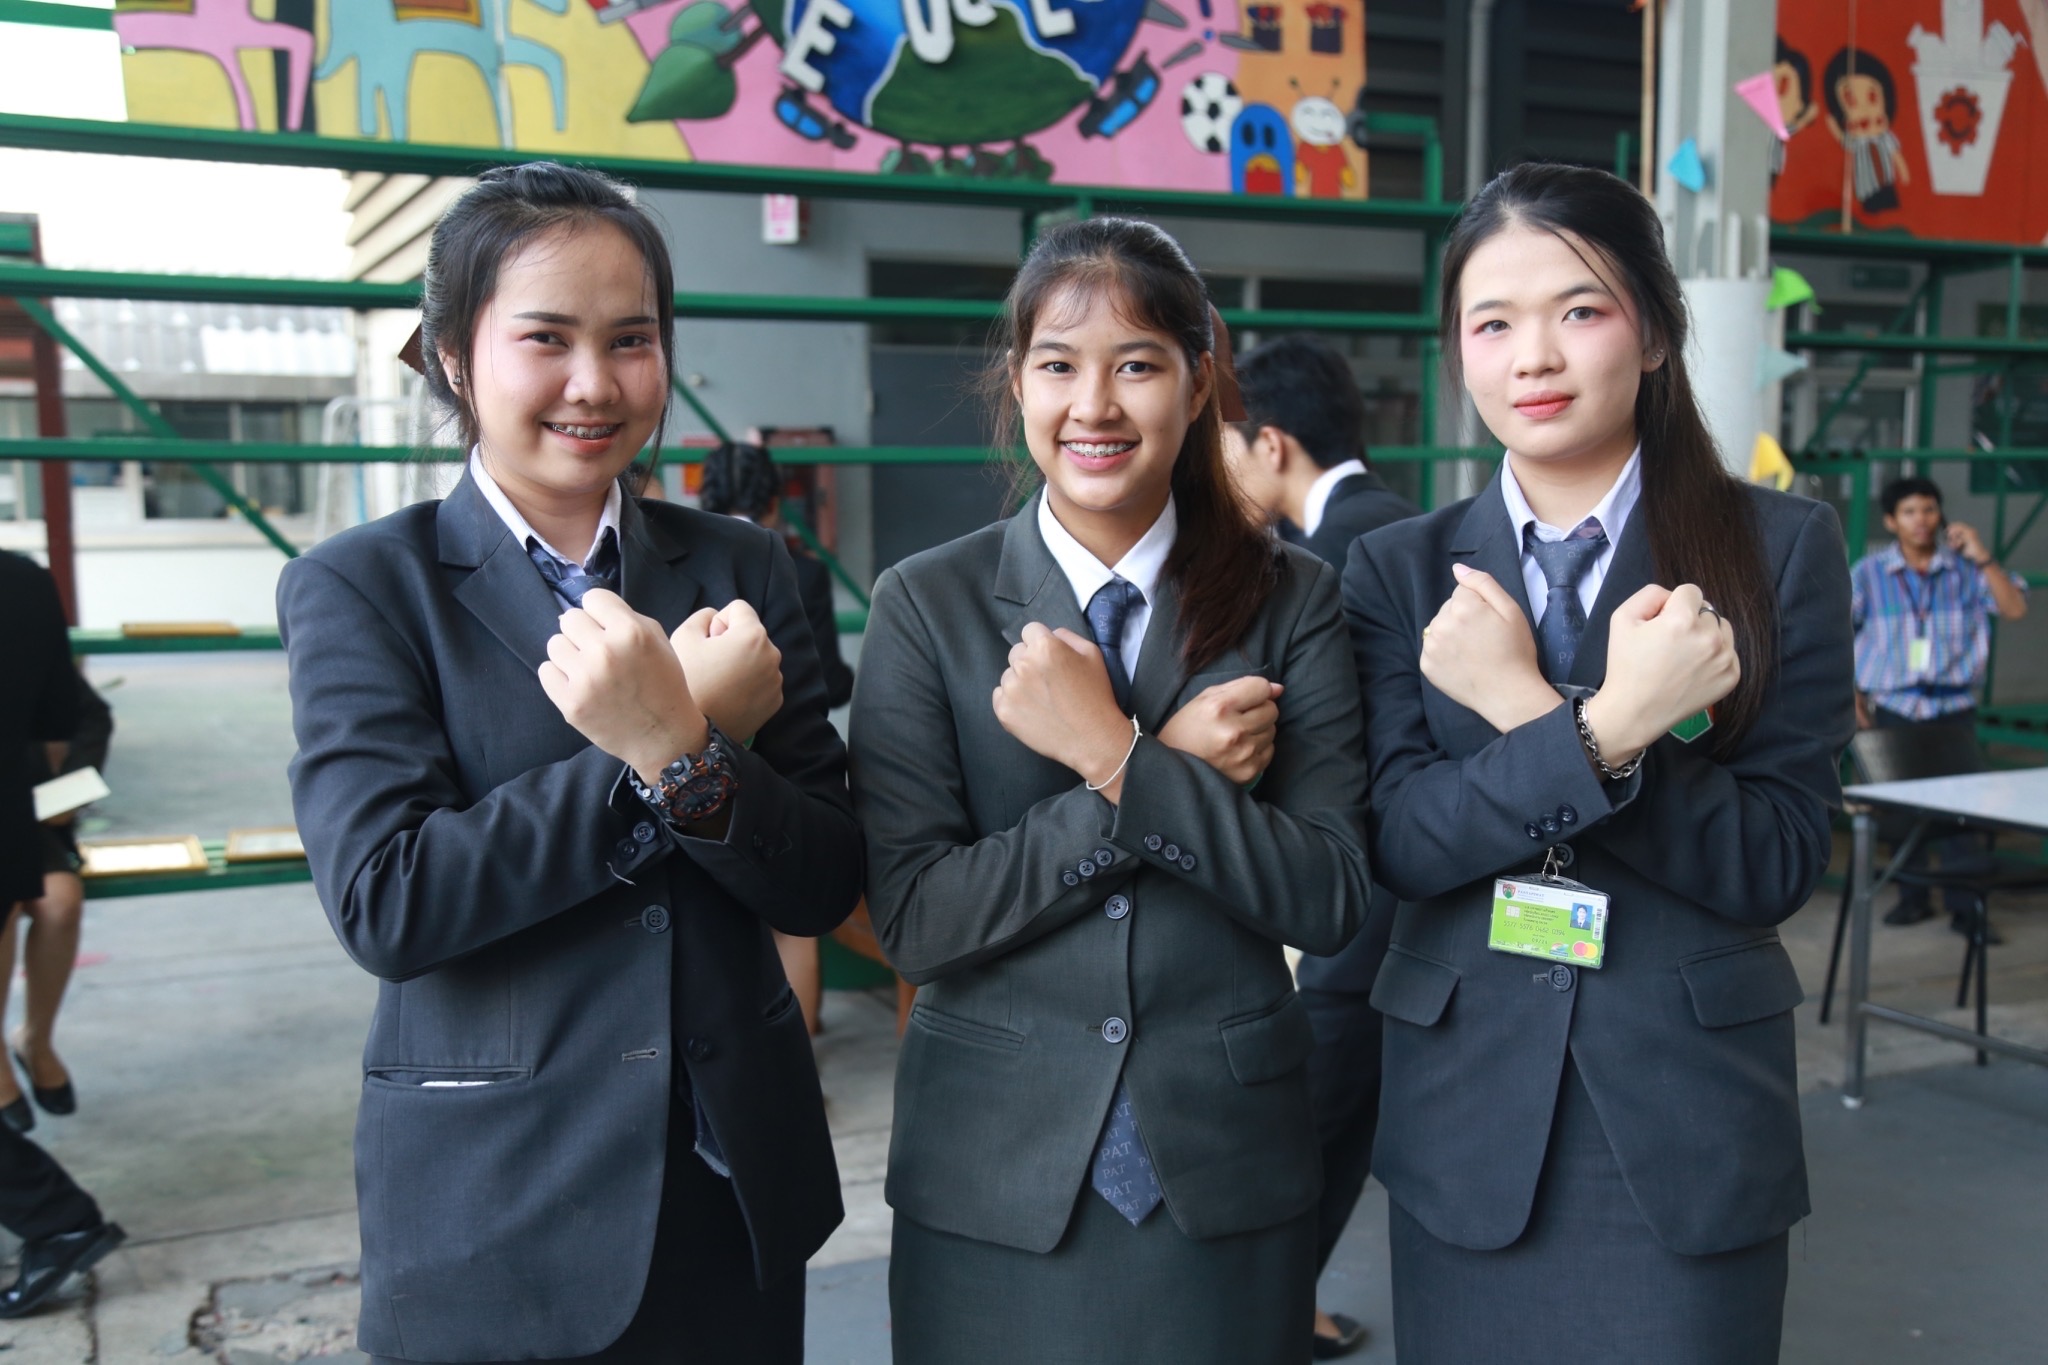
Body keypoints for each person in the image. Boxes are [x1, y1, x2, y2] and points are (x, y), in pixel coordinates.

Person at [277, 162, 862, 1365]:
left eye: (630, 340)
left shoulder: (741, 566)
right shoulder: (364, 587)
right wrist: (657, 750)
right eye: (545, 338)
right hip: (498, 1201)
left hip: (728, 1191)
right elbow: (390, 900)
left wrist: (684, 757)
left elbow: (822, 878)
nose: (594, 384)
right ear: (454, 353)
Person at [1344, 163, 1854, 1364]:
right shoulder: (1399, 572)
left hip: (1684, 1115)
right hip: (1467, 1114)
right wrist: (1607, 728)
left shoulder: (1777, 548)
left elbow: (1776, 860)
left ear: (1655, 333)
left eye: (1578, 310)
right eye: (1491, 323)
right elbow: (1400, 841)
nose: (1533, 356)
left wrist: (1529, 709)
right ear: (1456, 353)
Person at [850, 217, 1373, 1365]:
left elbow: (1329, 896)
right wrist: (1142, 774)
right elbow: (917, 921)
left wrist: (1118, 759)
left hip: (1224, 1165)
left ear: (1198, 382)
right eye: (1058, 365)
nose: (1093, 406)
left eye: (1136, 364)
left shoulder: (1292, 598)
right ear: (1016, 384)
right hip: (991, 1172)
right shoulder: (925, 606)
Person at [1222, 329, 1419, 1360]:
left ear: (1272, 443)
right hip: (1404, 881)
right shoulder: (1400, 523)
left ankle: (1267, 1311)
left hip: (1373, 892)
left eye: (1224, 447)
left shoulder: (1334, 558)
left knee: (1319, 1107)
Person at [0, 551, 125, 1315]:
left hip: (29, 822)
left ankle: (59, 1219)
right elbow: (53, 717)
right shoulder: (22, 581)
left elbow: (75, 724)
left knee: (58, 902)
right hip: (13, 819)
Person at [698, 438, 858, 1034]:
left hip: (689, 756)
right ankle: (803, 1047)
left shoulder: (679, 563)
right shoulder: (799, 569)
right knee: (794, 924)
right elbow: (827, 679)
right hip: (780, 759)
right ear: (772, 499)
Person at [1851, 476, 2027, 934]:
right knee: (1903, 808)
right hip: (1895, 705)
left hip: (1954, 707)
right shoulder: (1869, 573)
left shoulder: (1967, 569)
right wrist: (1853, 696)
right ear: (1891, 521)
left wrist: (1982, 555)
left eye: (1929, 509)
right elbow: (1838, 633)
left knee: (1963, 809)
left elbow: (2014, 608)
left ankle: (1967, 908)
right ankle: (1912, 897)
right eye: (1909, 512)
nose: (1921, 520)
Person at [0, 671, 112, 1131]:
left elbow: (92, 715)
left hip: (24, 809)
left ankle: (35, 1039)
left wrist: (71, 785)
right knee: (6, 903)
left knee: (60, 903)